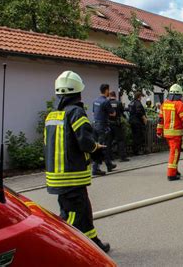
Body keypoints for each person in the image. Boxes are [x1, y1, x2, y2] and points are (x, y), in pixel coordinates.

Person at [44, 71, 110, 252]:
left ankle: (92, 242)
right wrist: (97, 149)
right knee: (72, 216)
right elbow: (85, 142)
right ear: (78, 92)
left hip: (57, 176)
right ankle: (62, 249)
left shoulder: (52, 116)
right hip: (71, 176)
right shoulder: (76, 113)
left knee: (83, 211)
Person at [157, 84, 183, 181]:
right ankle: (171, 174)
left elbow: (160, 120)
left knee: (175, 153)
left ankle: (175, 170)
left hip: (167, 133)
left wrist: (159, 131)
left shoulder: (164, 104)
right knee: (174, 154)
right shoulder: (180, 104)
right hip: (176, 134)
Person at [92, 84, 117, 175]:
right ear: (106, 90)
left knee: (97, 145)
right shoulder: (105, 102)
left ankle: (108, 164)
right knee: (103, 146)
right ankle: (95, 168)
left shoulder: (95, 101)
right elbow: (113, 113)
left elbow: (94, 112)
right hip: (103, 126)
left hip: (95, 125)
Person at [109, 91, 129, 162]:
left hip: (108, 124)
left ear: (109, 95)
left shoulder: (106, 103)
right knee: (120, 140)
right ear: (115, 95)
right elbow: (122, 112)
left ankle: (109, 157)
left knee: (109, 141)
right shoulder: (118, 103)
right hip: (117, 124)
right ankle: (122, 157)